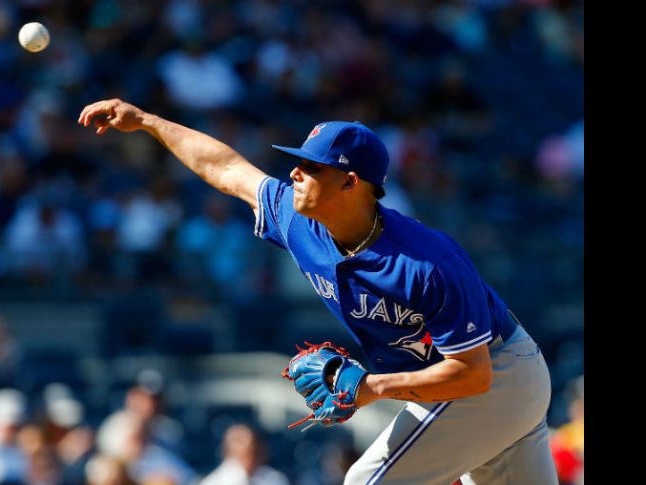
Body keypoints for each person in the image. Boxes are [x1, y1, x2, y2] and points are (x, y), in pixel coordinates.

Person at [77, 99, 558, 484]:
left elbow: (474, 375)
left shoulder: (426, 262)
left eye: (311, 168)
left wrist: (371, 387)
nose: (294, 174)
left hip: (497, 375)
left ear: (350, 182)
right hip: (480, 386)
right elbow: (225, 168)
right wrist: (147, 121)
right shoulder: (299, 220)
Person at [200, 424, 288, 485]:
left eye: (255, 453)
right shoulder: (212, 483)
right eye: (245, 455)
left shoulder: (275, 479)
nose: (251, 459)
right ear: (228, 452)